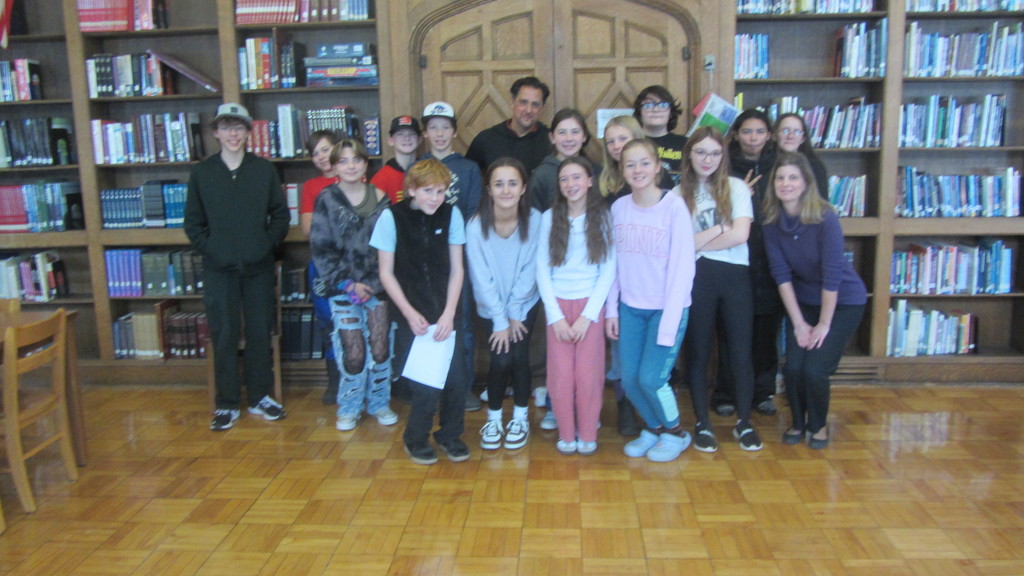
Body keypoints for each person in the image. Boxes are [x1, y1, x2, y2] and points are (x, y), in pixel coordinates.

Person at [184, 102, 288, 431]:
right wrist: (212, 249)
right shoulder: (202, 173)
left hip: (258, 267)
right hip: (219, 269)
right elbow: (193, 223)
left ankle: (260, 397)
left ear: (248, 132)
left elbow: (281, 215)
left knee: (259, 332)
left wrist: (265, 245)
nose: (233, 134)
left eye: (239, 127)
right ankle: (227, 403)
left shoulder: (264, 170)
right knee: (224, 334)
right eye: (226, 127)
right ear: (216, 132)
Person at [762, 152, 867, 449]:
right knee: (794, 367)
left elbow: (832, 275)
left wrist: (823, 324)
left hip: (843, 301)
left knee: (814, 369)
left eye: (793, 177)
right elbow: (781, 275)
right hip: (804, 303)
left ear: (806, 182)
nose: (786, 183)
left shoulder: (825, 217)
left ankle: (818, 426)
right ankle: (798, 421)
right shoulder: (771, 221)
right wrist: (798, 323)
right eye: (780, 178)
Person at [372, 159, 470, 465]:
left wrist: (449, 313)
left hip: (445, 314)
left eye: (440, 191)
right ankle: (415, 438)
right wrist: (409, 312)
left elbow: (457, 270)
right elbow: (386, 273)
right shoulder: (391, 217)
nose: (435, 197)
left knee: (456, 380)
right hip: (411, 316)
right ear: (412, 189)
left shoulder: (452, 214)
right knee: (425, 386)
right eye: (428, 190)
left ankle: (450, 435)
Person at [605, 138, 695, 463]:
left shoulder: (674, 207)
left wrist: (669, 323)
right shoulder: (618, 208)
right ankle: (655, 428)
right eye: (630, 164)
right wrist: (611, 310)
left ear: (658, 166)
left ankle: (676, 433)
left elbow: (683, 268)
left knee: (652, 378)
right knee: (628, 379)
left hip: (666, 310)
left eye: (644, 162)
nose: (637, 170)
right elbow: (613, 264)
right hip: (630, 308)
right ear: (622, 170)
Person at [676, 127, 763, 452]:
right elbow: (678, 247)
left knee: (740, 350)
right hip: (696, 278)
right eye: (700, 152)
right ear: (689, 155)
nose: (707, 159)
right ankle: (702, 423)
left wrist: (698, 241)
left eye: (714, 153)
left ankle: (744, 422)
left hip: (734, 277)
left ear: (722, 157)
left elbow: (740, 236)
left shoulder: (736, 187)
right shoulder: (676, 194)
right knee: (697, 352)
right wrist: (719, 227)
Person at [310, 139, 396, 432]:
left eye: (356, 160)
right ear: (334, 167)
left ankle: (379, 402)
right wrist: (348, 284)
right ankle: (349, 405)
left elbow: (389, 245)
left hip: (377, 287)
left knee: (381, 347)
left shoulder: (382, 197)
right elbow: (321, 249)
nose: (350, 166)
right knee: (354, 351)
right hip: (342, 288)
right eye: (343, 161)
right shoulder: (327, 198)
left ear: (365, 164)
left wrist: (371, 283)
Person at [536, 157, 616, 456]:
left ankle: (587, 432)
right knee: (560, 375)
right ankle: (566, 434)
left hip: (589, 309)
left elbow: (608, 269)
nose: (571, 184)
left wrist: (588, 316)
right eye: (565, 179)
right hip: (557, 306)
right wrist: (555, 315)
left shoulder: (603, 217)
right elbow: (541, 269)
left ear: (590, 181)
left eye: (577, 177)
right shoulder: (549, 218)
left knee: (588, 375)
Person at [467, 158, 541, 450]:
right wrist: (500, 320)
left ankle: (520, 417)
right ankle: (494, 418)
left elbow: (531, 271)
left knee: (519, 358)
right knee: (500, 360)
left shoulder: (535, 219)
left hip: (524, 304)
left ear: (523, 188)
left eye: (512, 183)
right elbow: (481, 279)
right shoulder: (475, 225)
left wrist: (514, 314)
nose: (506, 190)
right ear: (489, 189)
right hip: (491, 306)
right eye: (499, 184)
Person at [419, 101, 483, 411]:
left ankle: (463, 387)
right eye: (433, 127)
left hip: (461, 258)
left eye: (446, 127)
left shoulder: (469, 168)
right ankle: (433, 385)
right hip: (428, 262)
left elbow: (473, 212)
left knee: (463, 324)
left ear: (455, 131)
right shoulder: (418, 168)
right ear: (426, 133)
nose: (440, 133)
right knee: (430, 322)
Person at [717, 108, 781, 418]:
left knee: (766, 331)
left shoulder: (780, 164)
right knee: (731, 329)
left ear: (768, 135)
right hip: (733, 255)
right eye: (746, 131)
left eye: (759, 131)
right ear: (737, 135)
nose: (752, 138)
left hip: (770, 257)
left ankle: (763, 391)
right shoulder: (724, 165)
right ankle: (726, 391)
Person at [597, 114, 645, 436]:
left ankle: (649, 407)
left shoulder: (653, 180)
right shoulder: (603, 185)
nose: (617, 146)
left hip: (648, 275)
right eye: (611, 141)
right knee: (620, 351)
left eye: (622, 139)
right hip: (615, 276)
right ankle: (624, 406)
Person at [297, 129, 342, 404]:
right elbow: (306, 229)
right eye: (315, 153)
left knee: (357, 322)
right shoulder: (312, 186)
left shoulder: (356, 176)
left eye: (325, 149)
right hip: (324, 264)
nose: (321, 157)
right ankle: (334, 381)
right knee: (328, 322)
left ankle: (358, 380)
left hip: (356, 266)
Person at [466, 76, 552, 176]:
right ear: (512, 103)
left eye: (535, 104)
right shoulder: (486, 139)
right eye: (523, 102)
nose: (528, 110)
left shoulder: (551, 141)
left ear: (541, 109)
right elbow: (467, 178)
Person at [528, 107, 595, 211]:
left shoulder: (596, 170)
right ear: (552, 138)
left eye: (575, 132)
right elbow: (533, 213)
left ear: (584, 136)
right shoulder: (541, 175)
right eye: (562, 132)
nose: (569, 138)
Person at [632, 85, 687, 188]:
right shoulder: (632, 144)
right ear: (640, 111)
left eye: (663, 105)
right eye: (648, 105)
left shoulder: (685, 143)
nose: (656, 109)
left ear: (671, 112)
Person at [774, 112, 828, 199]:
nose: (790, 136)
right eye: (785, 131)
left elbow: (821, 204)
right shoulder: (766, 165)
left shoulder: (815, 167)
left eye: (797, 132)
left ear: (803, 138)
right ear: (775, 135)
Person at [370, 115, 422, 204]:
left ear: (419, 139)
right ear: (390, 140)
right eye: (400, 134)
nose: (407, 138)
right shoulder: (381, 179)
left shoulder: (427, 171)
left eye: (412, 133)